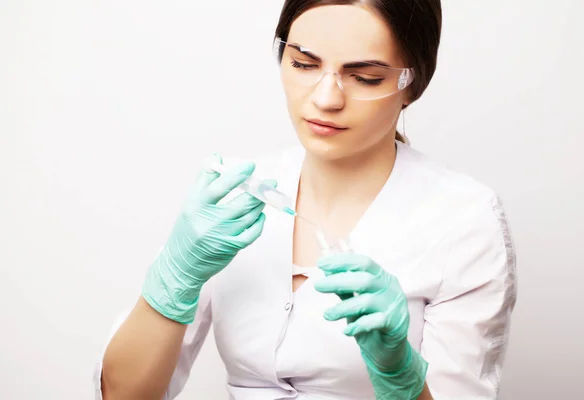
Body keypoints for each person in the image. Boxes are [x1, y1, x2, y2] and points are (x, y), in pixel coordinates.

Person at [94, 1, 517, 399]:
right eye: (303, 63)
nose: (325, 98)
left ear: (413, 84)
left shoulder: (463, 219)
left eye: (365, 77)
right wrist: (174, 277)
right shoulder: (236, 196)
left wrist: (400, 374)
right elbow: (124, 395)